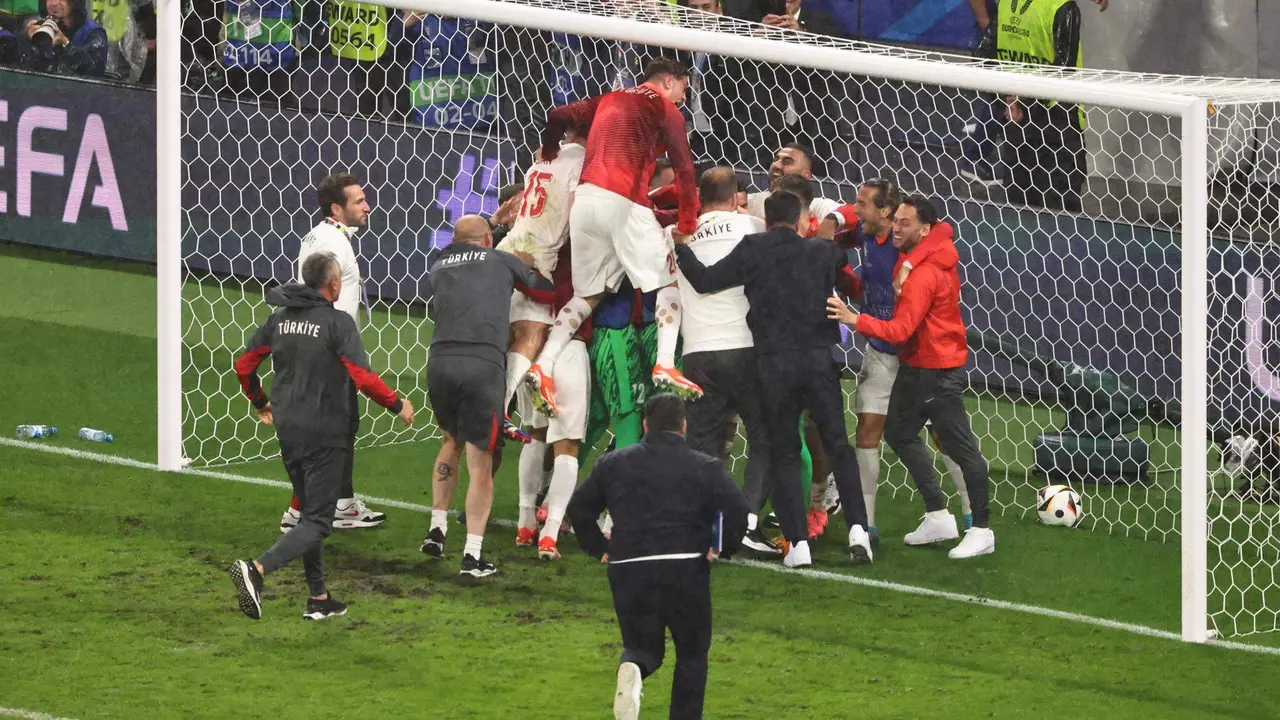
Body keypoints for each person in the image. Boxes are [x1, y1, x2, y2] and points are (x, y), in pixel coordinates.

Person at [675, 191, 873, 568]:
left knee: (783, 450)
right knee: (837, 445)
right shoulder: (823, 253)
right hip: (818, 362)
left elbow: (703, 281)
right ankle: (858, 531)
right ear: (801, 220)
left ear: (766, 220)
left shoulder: (753, 248)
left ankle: (797, 546)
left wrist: (682, 247)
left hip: (772, 365)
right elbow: (849, 276)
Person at [229, 252, 415, 621]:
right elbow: (361, 377)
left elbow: (243, 365)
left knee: (307, 515)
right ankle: (257, 569)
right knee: (318, 520)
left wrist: (261, 401)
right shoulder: (338, 323)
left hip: (289, 429)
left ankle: (319, 597)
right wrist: (397, 404)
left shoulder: (279, 319)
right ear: (333, 284)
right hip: (327, 432)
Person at [525, 57, 703, 417]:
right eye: (685, 86)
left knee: (587, 296)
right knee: (669, 284)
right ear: (669, 81)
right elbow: (684, 169)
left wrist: (549, 150)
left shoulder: (608, 98)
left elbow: (558, 115)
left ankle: (543, 364)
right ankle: (666, 363)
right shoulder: (665, 108)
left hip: (586, 201)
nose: (686, 94)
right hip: (624, 201)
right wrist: (687, 222)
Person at [827, 195, 995, 559]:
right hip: (917, 366)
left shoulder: (924, 274)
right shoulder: (922, 255)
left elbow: (902, 329)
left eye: (905, 223)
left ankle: (981, 528)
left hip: (937, 369)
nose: (898, 228)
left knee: (960, 448)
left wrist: (856, 320)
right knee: (900, 432)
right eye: (897, 221)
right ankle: (938, 513)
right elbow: (942, 233)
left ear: (923, 229)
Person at [566, 394, 749, 720]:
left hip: (629, 569)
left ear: (645, 425)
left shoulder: (613, 464)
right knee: (692, 653)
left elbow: (579, 508)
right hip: (685, 569)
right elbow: (738, 512)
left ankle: (633, 669)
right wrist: (720, 546)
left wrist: (599, 547)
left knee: (643, 648)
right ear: (684, 426)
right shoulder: (706, 467)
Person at [420, 215, 556, 578]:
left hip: (439, 362)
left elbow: (462, 259)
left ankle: (437, 528)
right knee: (481, 459)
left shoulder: (438, 265)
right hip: (481, 364)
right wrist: (526, 266)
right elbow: (545, 292)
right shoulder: (500, 260)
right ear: (485, 240)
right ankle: (473, 555)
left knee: (450, 441)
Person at [673, 167, 779, 556]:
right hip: (746, 347)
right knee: (765, 435)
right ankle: (747, 521)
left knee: (701, 443)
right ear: (736, 195)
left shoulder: (678, 235)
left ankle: (703, 529)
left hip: (698, 351)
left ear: (700, 197)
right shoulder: (752, 226)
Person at [279, 173, 386, 534]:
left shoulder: (325, 236)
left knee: (337, 426)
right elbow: (321, 296)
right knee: (333, 429)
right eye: (359, 201)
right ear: (337, 209)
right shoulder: (330, 243)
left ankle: (329, 504)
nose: (367, 206)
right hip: (330, 347)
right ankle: (314, 507)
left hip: (323, 343)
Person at [497, 127, 586, 438]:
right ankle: (502, 404)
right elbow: (577, 215)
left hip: (507, 247)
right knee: (532, 334)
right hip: (534, 258)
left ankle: (500, 404)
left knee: (503, 337)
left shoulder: (541, 159)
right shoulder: (581, 163)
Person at [993, 0, 1104, 212]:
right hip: (1057, 124)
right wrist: (1020, 100)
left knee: (1020, 208)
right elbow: (1063, 67)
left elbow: (982, 56)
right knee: (1060, 213)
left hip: (1016, 118)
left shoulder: (1005, 4)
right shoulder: (1062, 7)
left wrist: (1007, 98)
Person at [20, 0, 106, 76]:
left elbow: (94, 71)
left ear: (74, 3)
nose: (54, 3)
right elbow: (25, 70)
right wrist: (32, 44)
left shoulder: (93, 32)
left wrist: (66, 44)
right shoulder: (40, 29)